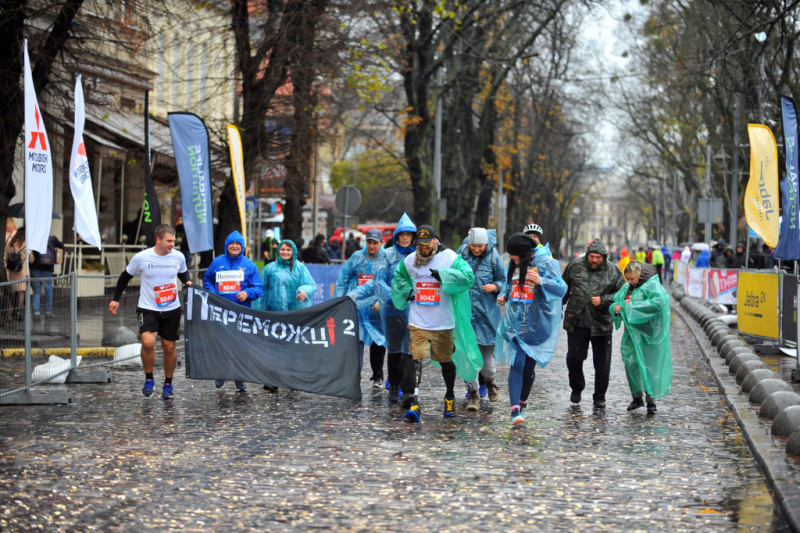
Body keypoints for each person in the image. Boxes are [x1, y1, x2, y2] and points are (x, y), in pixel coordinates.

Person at [390, 225, 482, 421]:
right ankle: (414, 400)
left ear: (434, 240)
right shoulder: (410, 261)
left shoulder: (449, 257)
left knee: (446, 362)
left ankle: (449, 397)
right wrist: (408, 291)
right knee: (416, 359)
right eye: (419, 246)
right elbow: (398, 276)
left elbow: (468, 277)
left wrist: (444, 276)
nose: (423, 249)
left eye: (426, 245)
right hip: (418, 321)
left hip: (443, 323)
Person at [109, 224, 192, 399]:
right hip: (148, 307)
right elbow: (125, 276)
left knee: (169, 347)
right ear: (158, 240)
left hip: (171, 308)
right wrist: (116, 299)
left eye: (174, 241)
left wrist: (188, 282)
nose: (172, 244)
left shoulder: (178, 257)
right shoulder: (142, 257)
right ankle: (149, 379)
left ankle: (168, 383)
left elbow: (183, 274)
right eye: (169, 241)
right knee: (147, 343)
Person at [496, 233, 567, 425]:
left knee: (528, 368)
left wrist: (541, 281)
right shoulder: (513, 265)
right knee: (517, 363)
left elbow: (562, 289)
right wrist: (504, 295)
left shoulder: (545, 263)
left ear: (523, 253)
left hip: (538, 323)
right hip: (516, 323)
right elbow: (509, 285)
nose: (510, 258)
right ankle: (514, 410)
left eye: (513, 255)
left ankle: (522, 401)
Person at [561, 238, 626, 409]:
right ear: (587, 255)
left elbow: (623, 293)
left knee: (602, 363)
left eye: (598, 257)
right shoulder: (574, 266)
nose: (595, 260)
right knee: (574, 358)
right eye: (592, 256)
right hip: (576, 322)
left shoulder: (613, 271)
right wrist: (554, 307)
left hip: (601, 324)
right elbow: (563, 289)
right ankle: (577, 387)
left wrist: (603, 300)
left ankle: (599, 396)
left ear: (604, 257)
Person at [203, 231, 264, 392]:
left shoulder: (249, 265)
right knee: (221, 343)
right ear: (226, 245)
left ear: (242, 247)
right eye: (232, 244)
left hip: (242, 312)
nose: (235, 246)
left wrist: (247, 293)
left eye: (238, 244)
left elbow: (259, 287)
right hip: (220, 312)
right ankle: (221, 373)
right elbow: (207, 279)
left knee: (241, 345)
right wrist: (214, 295)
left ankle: (239, 377)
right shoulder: (217, 262)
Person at [253, 239, 316, 392]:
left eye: (288, 250)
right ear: (278, 251)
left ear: (293, 251)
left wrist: (304, 292)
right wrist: (257, 311)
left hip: (294, 313)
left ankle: (291, 379)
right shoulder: (269, 269)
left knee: (292, 347)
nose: (285, 252)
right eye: (283, 249)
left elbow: (311, 284)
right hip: (273, 314)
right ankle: (272, 380)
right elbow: (262, 291)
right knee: (273, 348)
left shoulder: (300, 268)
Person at [612, 261, 672, 415]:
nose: (629, 282)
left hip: (648, 335)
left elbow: (657, 303)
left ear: (639, 275)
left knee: (648, 366)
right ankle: (637, 397)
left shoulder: (652, 286)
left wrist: (628, 307)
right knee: (630, 363)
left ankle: (651, 401)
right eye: (627, 279)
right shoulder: (627, 288)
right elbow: (616, 303)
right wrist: (616, 309)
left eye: (632, 278)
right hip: (631, 335)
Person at [455, 227, 505, 410]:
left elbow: (503, 279)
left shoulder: (493, 257)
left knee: (486, 361)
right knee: (467, 358)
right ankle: (473, 395)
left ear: (486, 244)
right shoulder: (460, 254)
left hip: (486, 315)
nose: (476, 249)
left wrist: (495, 287)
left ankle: (490, 381)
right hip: (465, 314)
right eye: (474, 246)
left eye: (480, 246)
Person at [337, 228, 387, 388]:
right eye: (369, 242)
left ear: (381, 243)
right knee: (356, 340)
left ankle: (378, 374)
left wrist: (383, 299)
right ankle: (355, 374)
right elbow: (343, 279)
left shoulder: (386, 259)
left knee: (377, 340)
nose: (372, 246)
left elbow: (389, 281)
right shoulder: (357, 257)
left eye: (375, 243)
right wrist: (341, 300)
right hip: (357, 305)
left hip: (376, 307)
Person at [30, 235, 65, 320]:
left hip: (35, 268)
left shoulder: (34, 237)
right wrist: (58, 257)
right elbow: (62, 246)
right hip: (47, 269)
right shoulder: (52, 238)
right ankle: (48, 312)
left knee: (36, 291)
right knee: (49, 290)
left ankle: (36, 313)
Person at [5, 226, 33, 322]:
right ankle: (18, 310)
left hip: (12, 271)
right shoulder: (26, 244)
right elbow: (32, 259)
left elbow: (5, 257)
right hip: (22, 270)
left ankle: (14, 308)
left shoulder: (11, 244)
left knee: (14, 291)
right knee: (21, 291)